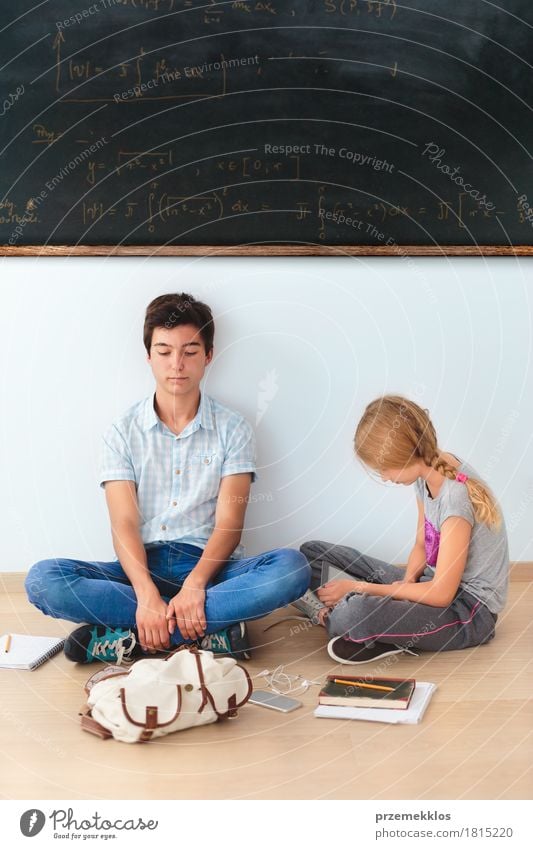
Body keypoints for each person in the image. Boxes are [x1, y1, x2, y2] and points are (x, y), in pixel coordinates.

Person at [25, 293, 310, 664]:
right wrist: (145, 594)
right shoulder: (122, 432)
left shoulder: (234, 429)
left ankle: (135, 639)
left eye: (190, 351)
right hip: (138, 569)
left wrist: (194, 585)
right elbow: (124, 523)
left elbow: (229, 524)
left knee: (292, 569)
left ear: (208, 356)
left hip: (211, 571)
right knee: (43, 579)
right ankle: (202, 633)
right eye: (164, 351)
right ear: (148, 356)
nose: (177, 364)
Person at [299, 395, 509, 665]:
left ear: (403, 455)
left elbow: (442, 594)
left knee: (352, 615)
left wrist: (363, 587)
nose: (385, 477)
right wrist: (406, 584)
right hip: (430, 585)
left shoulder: (455, 498)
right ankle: (375, 626)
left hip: (466, 612)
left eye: (383, 469)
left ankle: (341, 618)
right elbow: (422, 544)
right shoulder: (426, 474)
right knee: (311, 555)